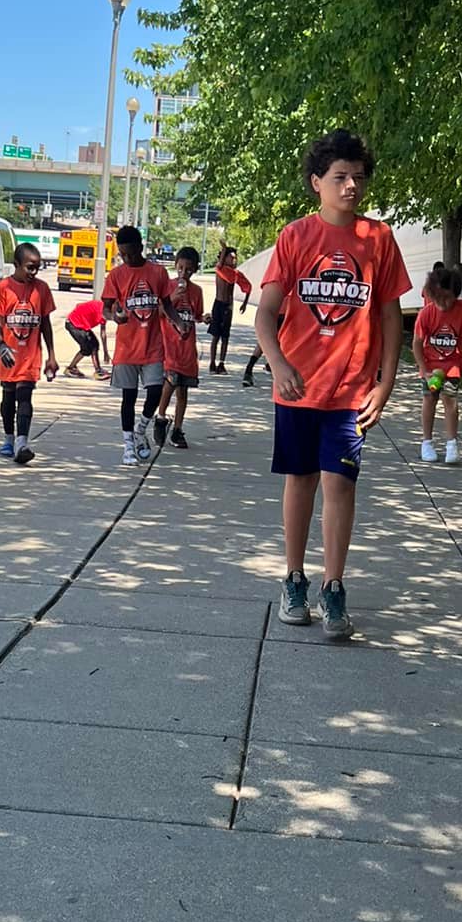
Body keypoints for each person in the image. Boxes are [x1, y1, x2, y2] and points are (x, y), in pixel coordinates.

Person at [255, 127, 408, 639]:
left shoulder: (378, 239)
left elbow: (391, 316)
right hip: (298, 387)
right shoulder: (295, 237)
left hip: (351, 391)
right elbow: (266, 314)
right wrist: (278, 364)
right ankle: (294, 579)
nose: (351, 186)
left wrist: (385, 383)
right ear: (316, 182)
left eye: (358, 177)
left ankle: (334, 587)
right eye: (340, 177)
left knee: (340, 484)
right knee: (300, 480)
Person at [103, 224, 172, 465]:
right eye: (123, 254)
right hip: (126, 349)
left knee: (155, 392)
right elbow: (106, 308)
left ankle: (141, 428)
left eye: (131, 253)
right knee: (129, 397)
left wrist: (179, 324)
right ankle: (128, 446)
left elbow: (167, 304)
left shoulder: (158, 273)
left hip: (152, 346)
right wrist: (115, 317)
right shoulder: (116, 276)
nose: (127, 258)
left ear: (141, 248)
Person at [0, 241, 58, 466]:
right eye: (29, 267)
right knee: (8, 397)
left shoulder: (42, 289)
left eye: (37, 267)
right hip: (9, 355)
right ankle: (9, 438)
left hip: (30, 356)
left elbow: (45, 323)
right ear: (16, 264)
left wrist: (52, 355)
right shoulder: (2, 288)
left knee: (25, 396)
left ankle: (22, 443)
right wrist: (0, 344)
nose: (33, 272)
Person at [412, 264, 462, 464]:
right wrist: (423, 370)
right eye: (437, 297)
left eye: (447, 297)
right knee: (429, 399)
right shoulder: (426, 313)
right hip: (431, 366)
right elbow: (417, 343)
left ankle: (451, 444)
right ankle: (427, 442)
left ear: (456, 293)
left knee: (450, 400)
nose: (443, 302)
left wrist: (460, 357)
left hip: (453, 365)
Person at [159, 247, 206, 448]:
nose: (183, 273)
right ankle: (161, 417)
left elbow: (196, 315)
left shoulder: (197, 291)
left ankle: (177, 429)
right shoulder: (167, 287)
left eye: (188, 269)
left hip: (187, 348)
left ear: (194, 269)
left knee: (183, 391)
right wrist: (174, 297)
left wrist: (204, 318)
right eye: (180, 268)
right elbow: (159, 311)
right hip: (169, 346)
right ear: (175, 265)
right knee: (170, 382)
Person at [207, 244, 253, 373]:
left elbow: (248, 286)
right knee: (215, 336)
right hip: (218, 305)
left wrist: (245, 303)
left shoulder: (235, 274)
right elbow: (220, 263)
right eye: (231, 257)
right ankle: (212, 362)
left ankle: (221, 363)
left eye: (235, 258)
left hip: (228, 307)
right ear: (225, 258)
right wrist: (224, 248)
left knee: (225, 337)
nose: (234, 260)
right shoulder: (220, 269)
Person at [63, 296, 110, 378]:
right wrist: (105, 353)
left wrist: (106, 352)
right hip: (73, 324)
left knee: (95, 345)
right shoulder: (101, 312)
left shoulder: (103, 308)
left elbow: (79, 305)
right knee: (87, 349)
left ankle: (97, 370)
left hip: (81, 325)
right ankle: (71, 368)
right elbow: (103, 334)